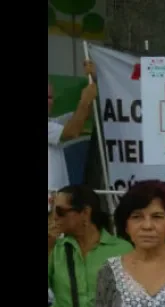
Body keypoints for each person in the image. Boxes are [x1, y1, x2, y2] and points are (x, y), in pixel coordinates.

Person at [49, 61, 97, 205]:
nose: (50, 102)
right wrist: (85, 100)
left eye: (51, 98)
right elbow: (72, 131)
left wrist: (94, 79)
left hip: (56, 203)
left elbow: (81, 116)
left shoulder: (53, 122)